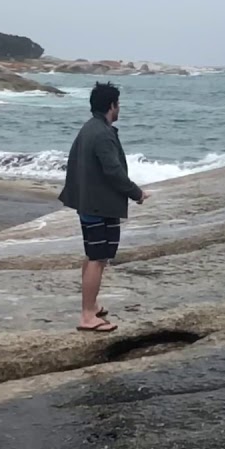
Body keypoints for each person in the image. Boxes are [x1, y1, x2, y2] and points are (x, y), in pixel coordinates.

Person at [58, 82, 150, 332]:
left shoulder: (91, 128)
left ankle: (92, 305)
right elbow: (113, 171)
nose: (119, 108)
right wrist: (136, 193)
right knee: (98, 258)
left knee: (93, 256)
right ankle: (87, 316)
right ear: (112, 105)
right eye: (118, 104)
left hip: (91, 203)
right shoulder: (101, 134)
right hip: (99, 206)